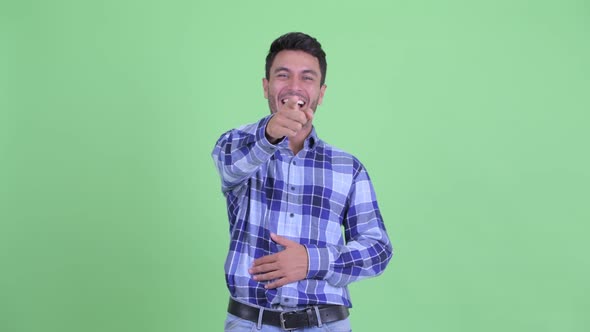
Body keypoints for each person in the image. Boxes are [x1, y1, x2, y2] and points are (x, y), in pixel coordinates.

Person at [212, 32, 393, 331]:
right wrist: (269, 132)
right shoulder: (239, 149)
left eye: (306, 78)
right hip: (250, 323)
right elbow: (229, 162)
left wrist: (312, 261)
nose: (294, 86)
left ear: (321, 93)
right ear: (266, 86)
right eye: (283, 75)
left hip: (325, 324)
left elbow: (378, 249)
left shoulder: (348, 168)